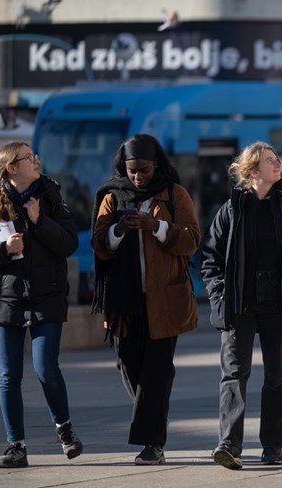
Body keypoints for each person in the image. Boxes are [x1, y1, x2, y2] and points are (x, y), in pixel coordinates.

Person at [201, 142, 282, 470]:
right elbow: (210, 257)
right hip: (239, 302)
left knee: (278, 377)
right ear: (253, 171)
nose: (277, 164)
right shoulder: (231, 209)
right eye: (270, 161)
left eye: (277, 159)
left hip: (279, 304)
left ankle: (272, 445)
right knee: (234, 374)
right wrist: (219, 295)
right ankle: (229, 444)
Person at [91, 134, 201, 466]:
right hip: (124, 301)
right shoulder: (112, 197)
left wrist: (156, 225)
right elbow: (99, 243)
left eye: (144, 170)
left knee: (156, 371)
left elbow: (192, 239)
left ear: (157, 164)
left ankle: (152, 443)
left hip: (165, 298)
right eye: (132, 170)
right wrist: (118, 230)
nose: (138, 177)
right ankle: (154, 418)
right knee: (128, 363)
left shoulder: (173, 194)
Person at [0, 142, 83, 468]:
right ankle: (16, 446)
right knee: (8, 376)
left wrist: (39, 220)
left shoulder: (51, 196)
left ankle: (65, 429)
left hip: (47, 297)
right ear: (12, 168)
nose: (37, 160)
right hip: (9, 299)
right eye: (29, 157)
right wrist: (4, 250)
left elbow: (69, 244)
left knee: (46, 369)